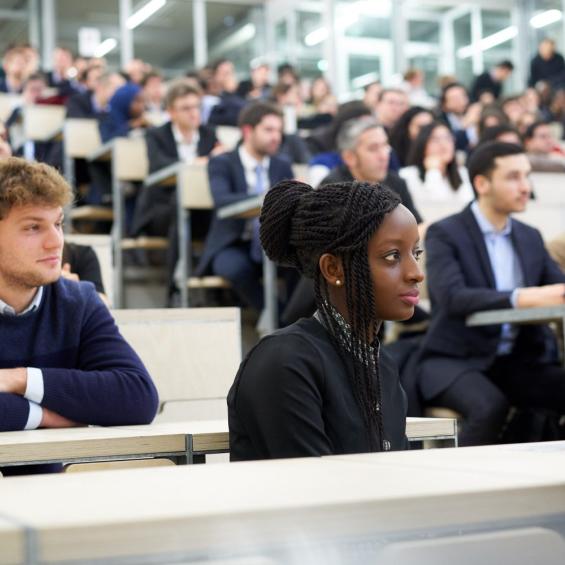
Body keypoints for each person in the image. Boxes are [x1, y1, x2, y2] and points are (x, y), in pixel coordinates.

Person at [228, 180, 423, 461]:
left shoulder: (382, 365)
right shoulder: (285, 362)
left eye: (416, 253)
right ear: (333, 268)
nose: (416, 273)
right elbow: (315, 494)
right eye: (392, 256)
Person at [0, 158, 159, 474]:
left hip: (47, 500)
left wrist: (20, 379)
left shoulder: (79, 301)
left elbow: (138, 396)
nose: (55, 241)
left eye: (58, 223)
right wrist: (44, 417)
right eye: (33, 227)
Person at [418, 142, 565, 446]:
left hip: (514, 361)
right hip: (453, 358)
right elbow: (452, 297)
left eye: (526, 176)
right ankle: (466, 491)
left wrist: (539, 296)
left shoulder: (529, 236)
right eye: (513, 177)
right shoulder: (446, 232)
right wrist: (520, 298)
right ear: (481, 183)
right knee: (489, 406)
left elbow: (557, 290)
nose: (525, 186)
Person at [196, 102, 294, 312]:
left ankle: (291, 319)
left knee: (302, 265)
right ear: (248, 131)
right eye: (269, 130)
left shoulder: (282, 164)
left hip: (273, 240)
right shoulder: (222, 162)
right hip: (233, 240)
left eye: (279, 130)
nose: (276, 136)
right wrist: (264, 199)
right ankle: (279, 319)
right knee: (235, 268)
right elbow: (221, 200)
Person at [400, 121, 474, 204]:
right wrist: (433, 172)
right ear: (422, 144)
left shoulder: (463, 173)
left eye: (448, 138)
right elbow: (436, 206)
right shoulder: (408, 175)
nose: (443, 144)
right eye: (435, 139)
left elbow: (467, 204)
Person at [437, 82, 480, 151]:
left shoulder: (474, 114)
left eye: (463, 96)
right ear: (444, 104)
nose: (460, 101)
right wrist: (465, 124)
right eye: (455, 98)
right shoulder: (440, 121)